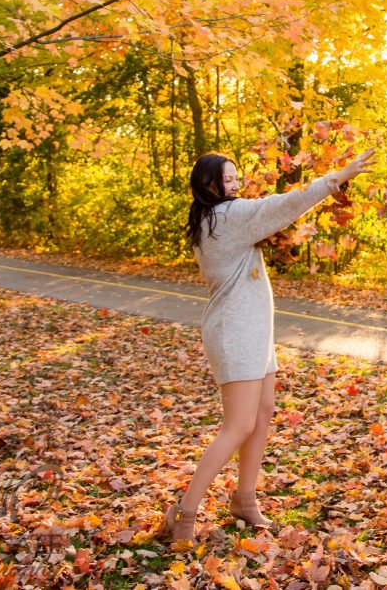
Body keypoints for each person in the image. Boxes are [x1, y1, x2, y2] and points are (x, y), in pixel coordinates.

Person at [160, 148, 375, 545]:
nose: (236, 183)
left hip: (253, 329)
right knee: (239, 424)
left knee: (262, 413)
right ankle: (184, 512)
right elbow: (284, 204)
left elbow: (273, 216)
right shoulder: (227, 216)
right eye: (227, 178)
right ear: (208, 185)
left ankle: (244, 499)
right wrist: (336, 178)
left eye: (236, 176)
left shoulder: (215, 216)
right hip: (235, 331)